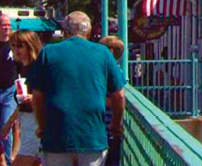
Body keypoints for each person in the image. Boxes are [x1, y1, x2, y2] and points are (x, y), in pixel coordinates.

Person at [27, 11, 125, 166]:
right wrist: (115, 125)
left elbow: (38, 96)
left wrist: (42, 126)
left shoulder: (48, 52)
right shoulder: (103, 53)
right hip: (92, 135)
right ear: (89, 31)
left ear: (65, 32)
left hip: (56, 136)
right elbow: (118, 96)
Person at [8, 30, 43, 166]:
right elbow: (20, 102)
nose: (16, 50)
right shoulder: (19, 67)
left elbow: (50, 93)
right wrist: (9, 124)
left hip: (37, 119)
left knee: (21, 162)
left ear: (30, 46)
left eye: (20, 46)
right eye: (13, 46)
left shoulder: (39, 67)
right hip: (25, 120)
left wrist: (33, 97)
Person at [98, 39, 124, 166]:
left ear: (110, 51)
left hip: (107, 126)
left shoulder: (112, 72)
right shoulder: (115, 71)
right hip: (107, 127)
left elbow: (117, 99)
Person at [0, 13, 17, 166]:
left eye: (8, 25)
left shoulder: (15, 44)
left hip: (9, 91)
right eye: (3, 25)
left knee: (6, 125)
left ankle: (7, 160)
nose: (7, 28)